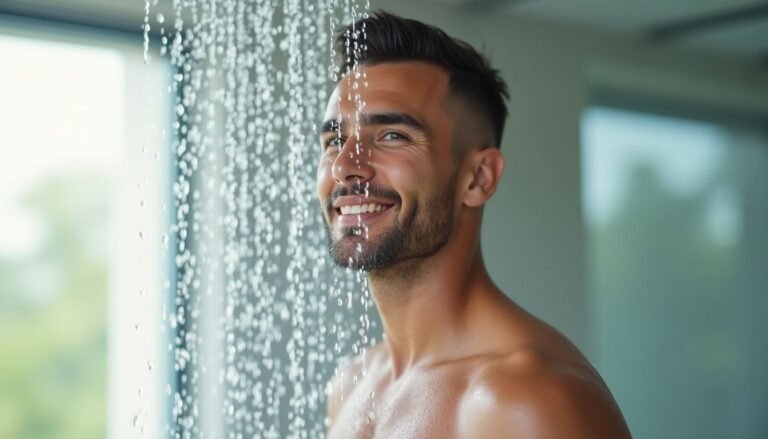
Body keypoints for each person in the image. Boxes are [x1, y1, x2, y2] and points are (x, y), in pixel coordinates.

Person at [316, 11, 631, 438]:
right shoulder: (351, 385)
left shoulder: (528, 399)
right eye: (335, 140)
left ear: (478, 178)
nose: (345, 167)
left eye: (392, 136)